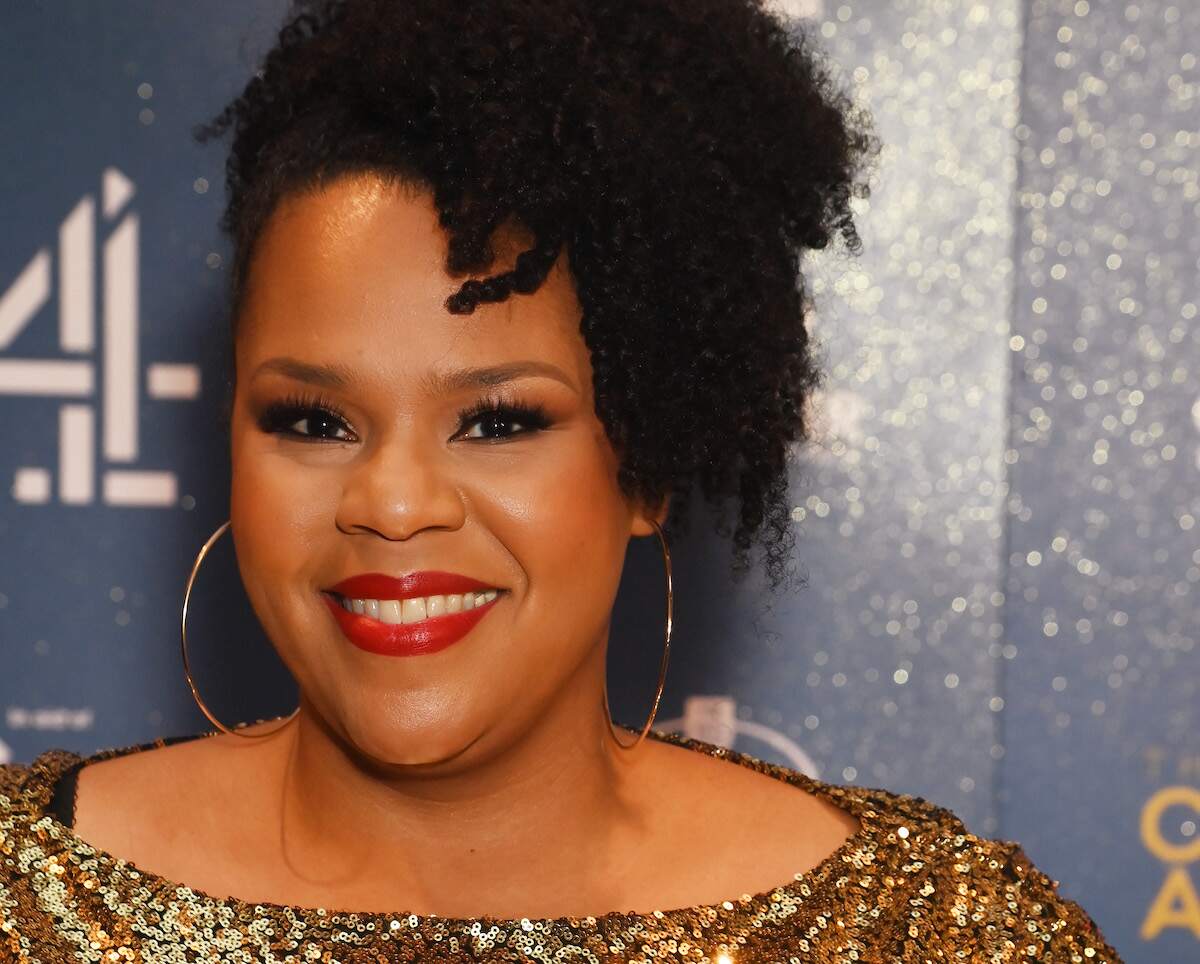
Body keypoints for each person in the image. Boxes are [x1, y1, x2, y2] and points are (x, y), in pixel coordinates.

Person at [0, 1, 1122, 960]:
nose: (393, 503)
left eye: (497, 421)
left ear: (647, 463)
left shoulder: (935, 936)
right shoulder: (26, 905)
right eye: (315, 420)